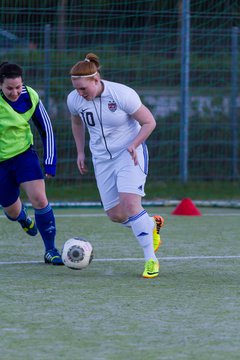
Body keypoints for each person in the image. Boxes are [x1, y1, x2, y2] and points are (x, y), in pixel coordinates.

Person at [67, 53, 165, 278]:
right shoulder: (74, 99)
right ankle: (150, 224)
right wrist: (81, 151)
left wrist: (134, 144)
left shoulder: (121, 94)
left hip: (129, 154)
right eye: (76, 89)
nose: (80, 93)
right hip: (101, 159)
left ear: (96, 79)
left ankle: (151, 259)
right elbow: (76, 121)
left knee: (131, 204)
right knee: (116, 215)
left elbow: (149, 122)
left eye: (84, 88)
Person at [0, 62, 63, 265]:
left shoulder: (30, 96)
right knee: (11, 210)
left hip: (24, 155)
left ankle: (51, 250)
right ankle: (23, 219)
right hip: (1, 163)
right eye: (9, 88)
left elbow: (46, 129)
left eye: (18, 87)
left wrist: (50, 162)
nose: (15, 92)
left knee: (39, 199)